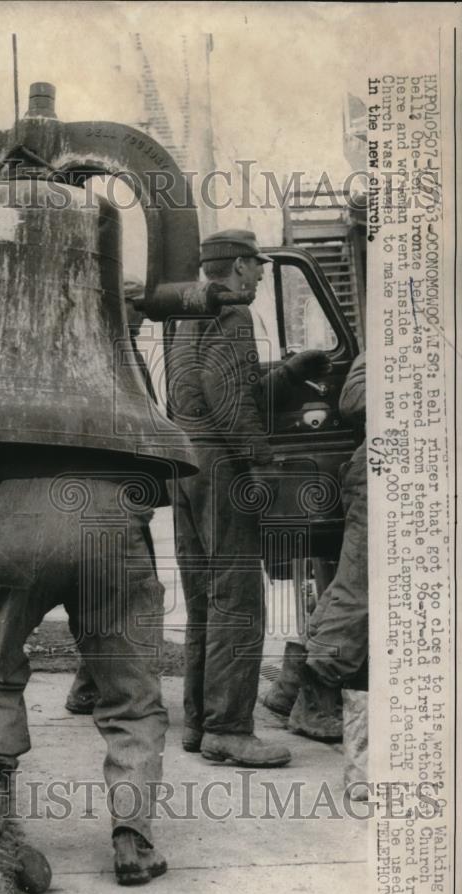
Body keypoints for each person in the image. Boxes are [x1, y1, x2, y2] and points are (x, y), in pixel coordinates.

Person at [0, 460, 170, 887]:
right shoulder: (119, 393)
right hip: (110, 523)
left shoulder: (7, 393)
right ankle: (133, 838)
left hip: (19, 518)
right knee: (132, 697)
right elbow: (155, 483)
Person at [168, 229, 332, 767]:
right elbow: (228, 399)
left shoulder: (186, 312)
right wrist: (259, 461)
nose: (262, 274)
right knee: (238, 602)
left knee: (205, 601)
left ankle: (198, 723)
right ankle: (230, 730)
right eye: (256, 266)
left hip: (185, 465)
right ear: (238, 267)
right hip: (221, 468)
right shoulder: (234, 316)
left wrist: (288, 375)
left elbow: (208, 391)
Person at [64, 276, 157, 716]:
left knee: (112, 594)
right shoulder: (105, 357)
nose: (140, 314)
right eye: (133, 305)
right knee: (110, 594)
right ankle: (94, 684)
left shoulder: (126, 355)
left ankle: (89, 684)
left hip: (126, 494)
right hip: (108, 495)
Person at [290, 353, 368, 789]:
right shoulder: (381, 352)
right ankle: (314, 700)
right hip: (380, 468)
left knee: (349, 588)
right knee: (358, 593)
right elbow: (354, 403)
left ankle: (292, 691)